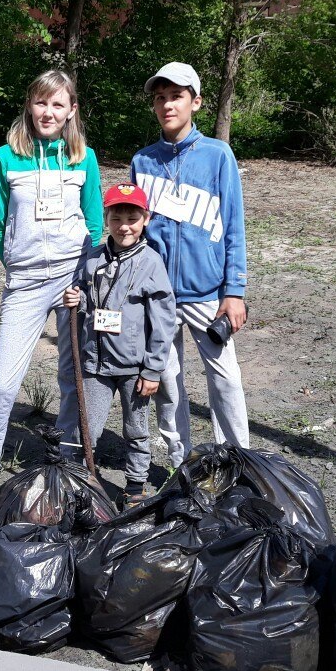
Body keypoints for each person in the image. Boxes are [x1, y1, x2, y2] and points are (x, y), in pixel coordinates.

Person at [0, 69, 103, 502]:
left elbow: (96, 220)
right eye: (42, 102)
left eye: (58, 104)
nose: (49, 112)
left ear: (71, 111)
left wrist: (84, 275)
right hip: (26, 281)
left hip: (71, 278)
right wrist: (14, 260)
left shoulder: (83, 158)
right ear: (30, 105)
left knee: (73, 375)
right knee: (4, 382)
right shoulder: (5, 157)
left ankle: (68, 461)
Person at [130, 61, 249, 468]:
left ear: (195, 102)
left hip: (207, 293)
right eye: (160, 98)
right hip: (159, 293)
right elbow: (132, 230)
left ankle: (237, 462)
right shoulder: (143, 162)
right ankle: (182, 463)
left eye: (176, 96)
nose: (167, 105)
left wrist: (234, 291)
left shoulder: (218, 156)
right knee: (167, 382)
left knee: (226, 380)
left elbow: (233, 225)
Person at [59, 183, 176, 507]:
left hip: (134, 368)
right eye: (117, 218)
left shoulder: (152, 263)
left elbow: (164, 321)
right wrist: (77, 299)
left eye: (132, 218)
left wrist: (152, 370)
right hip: (96, 365)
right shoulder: (94, 258)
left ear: (145, 219)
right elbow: (86, 298)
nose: (124, 226)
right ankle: (83, 485)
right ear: (107, 219)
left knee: (135, 429)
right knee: (87, 429)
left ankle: (135, 489)